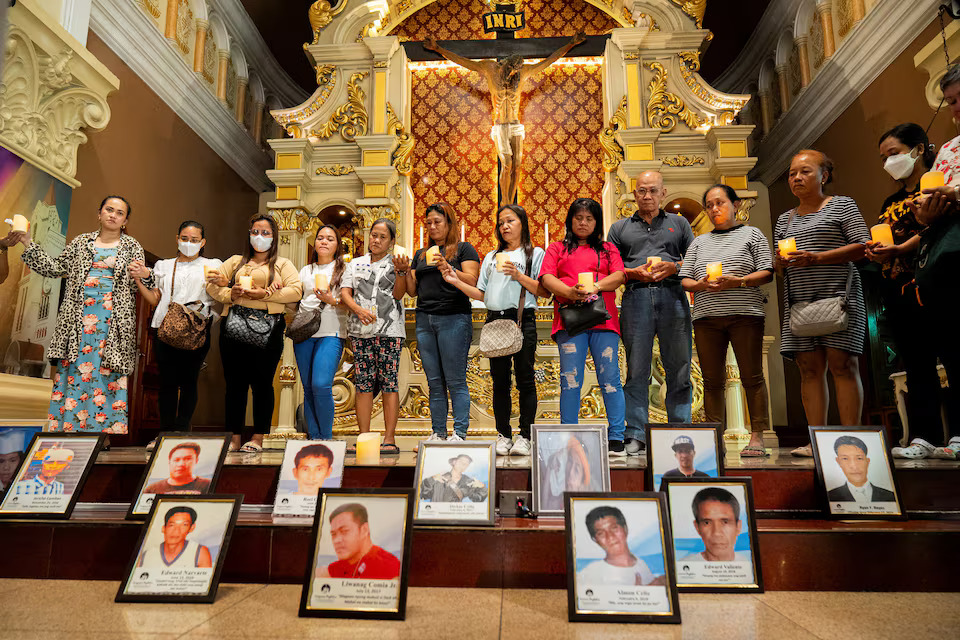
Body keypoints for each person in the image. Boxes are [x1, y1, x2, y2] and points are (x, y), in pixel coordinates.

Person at [12, 196, 155, 439]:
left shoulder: (132, 246)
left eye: (119, 213)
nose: (113, 215)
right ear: (99, 213)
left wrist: (147, 273)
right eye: (109, 210)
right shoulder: (81, 243)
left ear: (124, 221)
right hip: (76, 319)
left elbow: (145, 284)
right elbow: (54, 268)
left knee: (106, 373)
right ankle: (68, 431)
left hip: (113, 321)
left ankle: (102, 438)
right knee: (76, 370)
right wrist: (28, 242)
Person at [774, 151, 869, 457]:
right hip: (800, 300)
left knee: (842, 365)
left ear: (823, 175)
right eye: (791, 174)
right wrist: (778, 262)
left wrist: (817, 257)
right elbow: (780, 264)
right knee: (808, 369)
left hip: (839, 295)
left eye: (804, 172)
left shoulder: (842, 205)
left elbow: (862, 247)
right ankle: (817, 440)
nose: (796, 178)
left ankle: (851, 440)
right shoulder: (784, 219)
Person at [423, 32, 587, 205]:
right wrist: (438, 49)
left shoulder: (522, 72)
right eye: (508, 72)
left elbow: (548, 61)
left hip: (515, 124)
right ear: (503, 66)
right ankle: (505, 201)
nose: (510, 76)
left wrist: (571, 44)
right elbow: (464, 61)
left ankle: (512, 204)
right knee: (507, 163)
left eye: (513, 73)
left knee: (517, 165)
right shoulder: (489, 68)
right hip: (500, 125)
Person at [867, 125, 946, 460]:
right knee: (916, 363)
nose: (889, 162)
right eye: (885, 157)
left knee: (952, 359)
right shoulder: (892, 201)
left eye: (895, 153)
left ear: (918, 149)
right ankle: (923, 437)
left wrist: (899, 249)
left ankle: (956, 435)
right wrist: (876, 251)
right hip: (898, 288)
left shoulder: (940, 188)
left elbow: (934, 229)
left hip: (935, 282)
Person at [441, 204, 546, 456]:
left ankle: (525, 435)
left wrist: (518, 275)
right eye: (501, 223)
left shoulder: (534, 254)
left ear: (522, 223)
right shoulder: (490, 256)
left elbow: (544, 291)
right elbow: (482, 294)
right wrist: (456, 281)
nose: (505, 226)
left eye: (510, 221)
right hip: (494, 320)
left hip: (522, 319)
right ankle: (503, 434)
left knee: (525, 379)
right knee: (499, 382)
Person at [679, 185, 773, 457]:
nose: (714, 209)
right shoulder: (699, 242)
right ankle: (714, 437)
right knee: (712, 380)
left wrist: (738, 281)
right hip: (707, 318)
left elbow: (767, 271)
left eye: (719, 203)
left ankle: (757, 435)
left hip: (745, 314)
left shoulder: (751, 234)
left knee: (752, 377)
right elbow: (684, 279)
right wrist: (699, 284)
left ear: (735, 205)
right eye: (709, 205)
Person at [608, 171, 695, 456]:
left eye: (653, 191)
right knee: (636, 370)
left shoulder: (679, 223)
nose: (647, 196)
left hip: (673, 295)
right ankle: (636, 434)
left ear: (663, 193)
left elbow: (695, 260)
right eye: (642, 191)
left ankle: (680, 429)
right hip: (636, 298)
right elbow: (612, 269)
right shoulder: (619, 228)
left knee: (679, 368)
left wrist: (675, 267)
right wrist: (633, 272)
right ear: (634, 193)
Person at [207, 214, 303, 453]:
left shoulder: (282, 264)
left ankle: (258, 437)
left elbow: (296, 292)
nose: (260, 238)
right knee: (234, 385)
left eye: (266, 233)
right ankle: (234, 437)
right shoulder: (235, 261)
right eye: (255, 232)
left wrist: (265, 295)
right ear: (249, 234)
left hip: (269, 329)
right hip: (233, 326)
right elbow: (211, 284)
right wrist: (231, 292)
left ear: (274, 237)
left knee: (262, 384)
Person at [539, 198, 627, 455]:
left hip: (604, 321)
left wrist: (596, 286)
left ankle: (617, 436)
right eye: (578, 217)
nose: (583, 222)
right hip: (570, 322)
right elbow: (546, 278)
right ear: (570, 220)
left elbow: (620, 276)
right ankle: (569, 434)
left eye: (589, 218)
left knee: (610, 379)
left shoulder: (608, 249)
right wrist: (569, 291)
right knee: (570, 380)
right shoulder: (557, 248)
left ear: (597, 222)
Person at [395, 203, 480, 442]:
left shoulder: (464, 249)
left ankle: (460, 433)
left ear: (449, 223)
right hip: (424, 319)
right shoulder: (421, 254)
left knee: (455, 380)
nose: (432, 227)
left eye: (437, 222)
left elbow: (472, 281)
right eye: (429, 222)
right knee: (434, 381)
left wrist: (447, 267)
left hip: (453, 318)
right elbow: (412, 292)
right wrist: (403, 272)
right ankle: (438, 432)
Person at [136, 221, 222, 446]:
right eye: (184, 239)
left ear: (203, 242)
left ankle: (181, 431)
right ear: (177, 238)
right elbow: (156, 299)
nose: (189, 243)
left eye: (194, 240)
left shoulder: (213, 264)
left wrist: (222, 282)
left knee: (189, 380)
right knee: (167, 382)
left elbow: (220, 294)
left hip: (197, 329)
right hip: (165, 327)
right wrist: (139, 280)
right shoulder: (164, 266)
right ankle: (164, 433)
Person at [341, 219, 406, 454]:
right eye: (373, 235)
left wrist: (401, 271)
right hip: (360, 332)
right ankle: (364, 437)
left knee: (389, 382)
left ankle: (389, 439)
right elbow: (345, 293)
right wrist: (358, 310)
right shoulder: (355, 264)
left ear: (391, 242)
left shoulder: (398, 263)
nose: (376, 240)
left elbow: (399, 294)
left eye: (382, 237)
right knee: (363, 383)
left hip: (390, 331)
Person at [294, 225, 348, 441]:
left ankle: (325, 438)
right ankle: (313, 437)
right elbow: (296, 298)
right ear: (314, 243)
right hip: (304, 332)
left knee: (321, 384)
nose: (324, 242)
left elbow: (351, 303)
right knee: (307, 387)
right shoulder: (306, 270)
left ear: (337, 245)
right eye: (320, 238)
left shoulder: (344, 269)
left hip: (331, 332)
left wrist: (332, 300)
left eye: (330, 239)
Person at [577, 505, 663, 586]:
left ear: (625, 529)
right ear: (595, 540)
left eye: (614, 528)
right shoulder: (590, 574)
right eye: (601, 533)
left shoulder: (641, 564)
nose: (610, 536)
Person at [316, 503, 401, 579]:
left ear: (364, 530)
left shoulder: (390, 568)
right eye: (333, 534)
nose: (336, 540)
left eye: (344, 531)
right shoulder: (338, 567)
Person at [681, 487, 750, 562]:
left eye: (725, 522)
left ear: (738, 527)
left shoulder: (748, 565)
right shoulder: (684, 567)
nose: (716, 533)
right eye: (707, 522)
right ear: (697, 527)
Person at [137, 506, 213, 569]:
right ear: (163, 528)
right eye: (172, 525)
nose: (176, 531)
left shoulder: (200, 552)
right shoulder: (147, 554)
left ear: (191, 528)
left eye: (184, 525)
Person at [826, 435, 896, 502]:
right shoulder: (830, 497)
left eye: (859, 458)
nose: (854, 466)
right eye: (845, 458)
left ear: (867, 461)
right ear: (838, 462)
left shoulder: (890, 496)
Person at [541, 434, 595, 511]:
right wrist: (550, 467)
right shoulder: (557, 502)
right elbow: (544, 507)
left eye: (576, 470)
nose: (570, 472)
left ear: (582, 482)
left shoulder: (585, 509)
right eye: (570, 461)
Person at [144, 442, 211, 494]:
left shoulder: (208, 485)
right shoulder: (152, 489)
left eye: (187, 459)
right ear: (169, 462)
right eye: (176, 460)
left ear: (196, 460)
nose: (181, 464)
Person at [419, 453, 488, 503]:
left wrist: (482, 487)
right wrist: (432, 479)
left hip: (455, 516)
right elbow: (424, 495)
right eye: (461, 462)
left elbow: (478, 499)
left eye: (466, 464)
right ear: (454, 462)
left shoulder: (468, 482)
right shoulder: (439, 477)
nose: (463, 465)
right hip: (435, 516)